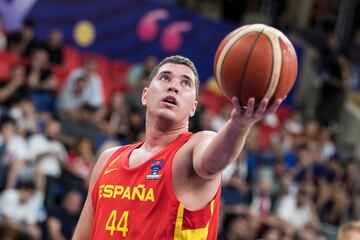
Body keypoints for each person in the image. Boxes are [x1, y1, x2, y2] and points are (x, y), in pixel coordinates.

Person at [73, 55, 282, 239]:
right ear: (145, 95)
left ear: (193, 108)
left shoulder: (195, 147)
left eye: (185, 83)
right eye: (165, 78)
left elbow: (213, 161)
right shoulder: (108, 159)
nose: (174, 86)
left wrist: (239, 124)